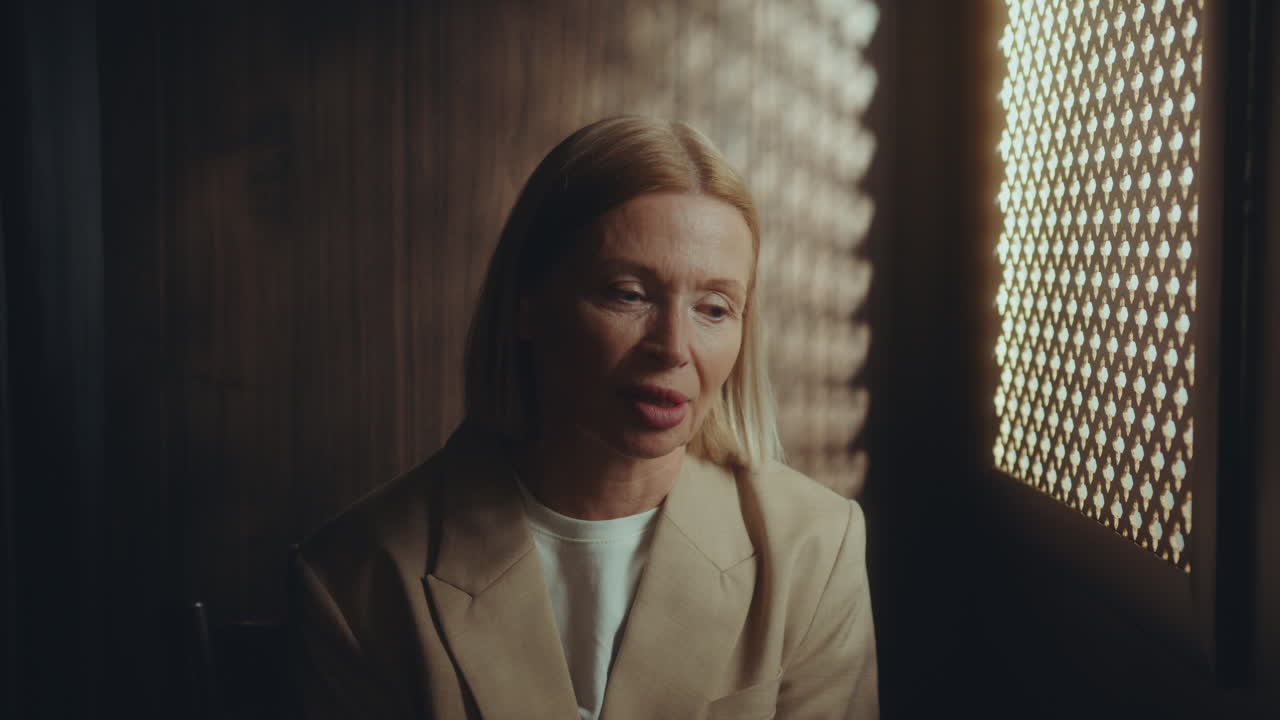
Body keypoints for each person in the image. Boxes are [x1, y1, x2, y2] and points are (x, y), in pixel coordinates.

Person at [289, 115, 879, 719]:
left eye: (714, 308)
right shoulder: (358, 577)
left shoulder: (813, 546)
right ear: (527, 302)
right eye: (628, 294)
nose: (673, 346)